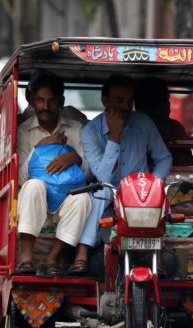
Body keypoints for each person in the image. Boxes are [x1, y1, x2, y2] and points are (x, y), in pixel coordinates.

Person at [78, 75, 173, 256]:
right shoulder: (90, 131)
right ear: (104, 101)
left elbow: (164, 157)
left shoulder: (143, 122)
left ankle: (161, 253)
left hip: (141, 191)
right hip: (110, 191)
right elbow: (103, 176)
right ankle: (83, 251)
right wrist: (115, 136)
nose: (125, 108)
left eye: (129, 102)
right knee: (100, 193)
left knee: (161, 200)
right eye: (119, 101)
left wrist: (155, 184)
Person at [14, 74, 92, 277]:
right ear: (32, 102)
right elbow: (21, 178)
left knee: (83, 198)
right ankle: (26, 259)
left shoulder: (75, 129)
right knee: (33, 185)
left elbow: (89, 176)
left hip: (64, 204)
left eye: (51, 101)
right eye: (40, 100)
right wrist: (39, 147)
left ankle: (52, 258)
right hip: (33, 203)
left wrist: (74, 158)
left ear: (61, 102)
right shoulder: (24, 131)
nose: (45, 106)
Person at [134, 77, 193, 166]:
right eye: (167, 101)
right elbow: (186, 163)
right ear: (162, 103)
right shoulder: (173, 127)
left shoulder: (124, 125)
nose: (170, 108)